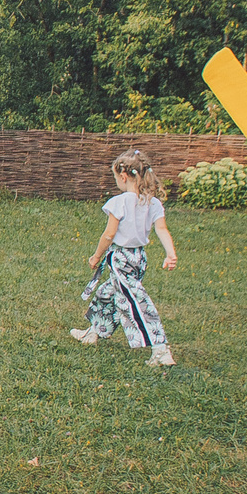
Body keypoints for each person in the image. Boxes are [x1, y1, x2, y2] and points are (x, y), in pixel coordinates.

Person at [72, 148, 178, 366]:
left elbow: (109, 234)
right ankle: (94, 332)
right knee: (107, 293)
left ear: (123, 176)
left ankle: (160, 349)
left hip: (120, 258)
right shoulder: (153, 203)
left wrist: (96, 256)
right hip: (139, 259)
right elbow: (162, 230)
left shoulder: (119, 202)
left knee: (136, 302)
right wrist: (171, 253)